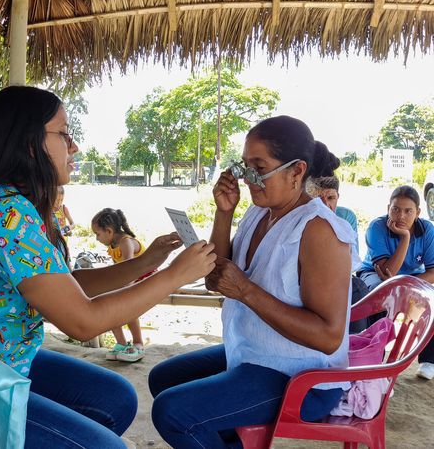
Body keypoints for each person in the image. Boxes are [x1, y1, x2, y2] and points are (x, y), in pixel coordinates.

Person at [0, 86, 217, 449]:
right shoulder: (7, 214)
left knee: (116, 399)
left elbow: (66, 285)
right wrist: (174, 276)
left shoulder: (11, 204)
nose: (74, 146)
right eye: (64, 134)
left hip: (1, 361)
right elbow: (82, 322)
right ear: (30, 143)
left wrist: (146, 263)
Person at [149, 115, 354, 449]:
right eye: (244, 167)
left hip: (302, 377)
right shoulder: (260, 212)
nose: (247, 179)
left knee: (173, 412)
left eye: (259, 168)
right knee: (164, 378)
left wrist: (246, 291)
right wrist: (224, 212)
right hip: (256, 353)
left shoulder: (319, 230)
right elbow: (218, 275)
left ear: (297, 171)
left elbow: (328, 337)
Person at [357, 185, 434, 380]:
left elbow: (433, 272)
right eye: (396, 209)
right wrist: (405, 237)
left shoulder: (427, 230)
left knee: (431, 299)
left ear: (418, 212)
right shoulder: (377, 227)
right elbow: (386, 272)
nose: (401, 216)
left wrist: (405, 284)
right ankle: (375, 360)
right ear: (388, 209)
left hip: (411, 276)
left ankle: (429, 360)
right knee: (380, 294)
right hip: (374, 273)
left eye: (408, 211)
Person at [306, 175, 369, 333]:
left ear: (338, 197)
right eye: (317, 199)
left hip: (336, 277)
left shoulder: (345, 218)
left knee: (357, 288)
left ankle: (356, 341)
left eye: (331, 198)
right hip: (307, 279)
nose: (325, 205)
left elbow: (350, 263)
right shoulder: (302, 217)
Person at [92, 208, 148, 362]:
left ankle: (138, 343)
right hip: (127, 281)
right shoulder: (113, 245)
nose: (96, 238)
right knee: (108, 307)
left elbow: (129, 270)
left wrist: (121, 290)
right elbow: (117, 270)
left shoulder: (126, 242)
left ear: (109, 231)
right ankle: (121, 343)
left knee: (129, 309)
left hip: (142, 280)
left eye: (98, 234)